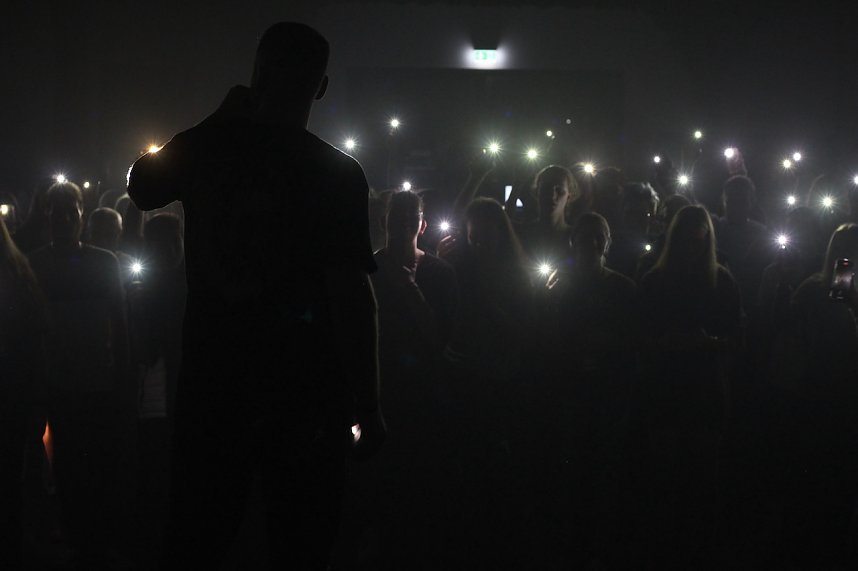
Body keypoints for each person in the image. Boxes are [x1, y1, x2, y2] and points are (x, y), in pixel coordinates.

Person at [127, 22, 385, 570]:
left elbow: (142, 186)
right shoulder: (337, 174)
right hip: (305, 394)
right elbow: (351, 295)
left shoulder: (210, 153)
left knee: (198, 539)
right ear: (320, 87)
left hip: (215, 386)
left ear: (256, 74)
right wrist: (368, 402)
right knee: (301, 543)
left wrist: (214, 122)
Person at [27, 181, 132, 569]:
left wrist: (123, 371)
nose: (65, 221)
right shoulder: (97, 262)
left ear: (80, 216)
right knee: (75, 463)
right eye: (60, 214)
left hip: (89, 378)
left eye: (70, 213)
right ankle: (88, 538)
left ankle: (88, 537)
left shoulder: (43, 264)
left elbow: (120, 324)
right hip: (68, 380)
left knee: (89, 461)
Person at [637, 205, 742, 568]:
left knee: (701, 476)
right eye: (686, 241)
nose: (691, 249)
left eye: (697, 243)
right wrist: (668, 343)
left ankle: (694, 549)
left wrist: (706, 342)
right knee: (669, 475)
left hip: (701, 388)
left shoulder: (721, 281)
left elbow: (738, 339)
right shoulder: (655, 281)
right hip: (669, 388)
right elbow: (638, 337)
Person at [548, 213, 637, 568]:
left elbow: (633, 342)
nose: (592, 243)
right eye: (585, 236)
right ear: (574, 242)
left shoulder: (622, 288)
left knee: (604, 468)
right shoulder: (559, 284)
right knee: (574, 467)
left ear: (607, 243)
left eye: (598, 237)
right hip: (572, 388)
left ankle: (599, 542)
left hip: (608, 390)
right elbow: (547, 336)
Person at [772, 224, 858, 569]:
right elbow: (836, 331)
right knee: (821, 485)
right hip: (824, 396)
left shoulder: (821, 287)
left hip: (830, 397)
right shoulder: (826, 288)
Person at [0, 216, 45, 570]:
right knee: (11, 475)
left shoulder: (17, 274)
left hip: (12, 390)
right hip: (16, 390)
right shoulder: (20, 273)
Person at [87, 207, 137, 285]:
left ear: (120, 233)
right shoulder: (81, 262)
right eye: (97, 235)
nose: (103, 241)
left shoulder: (128, 263)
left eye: (109, 235)